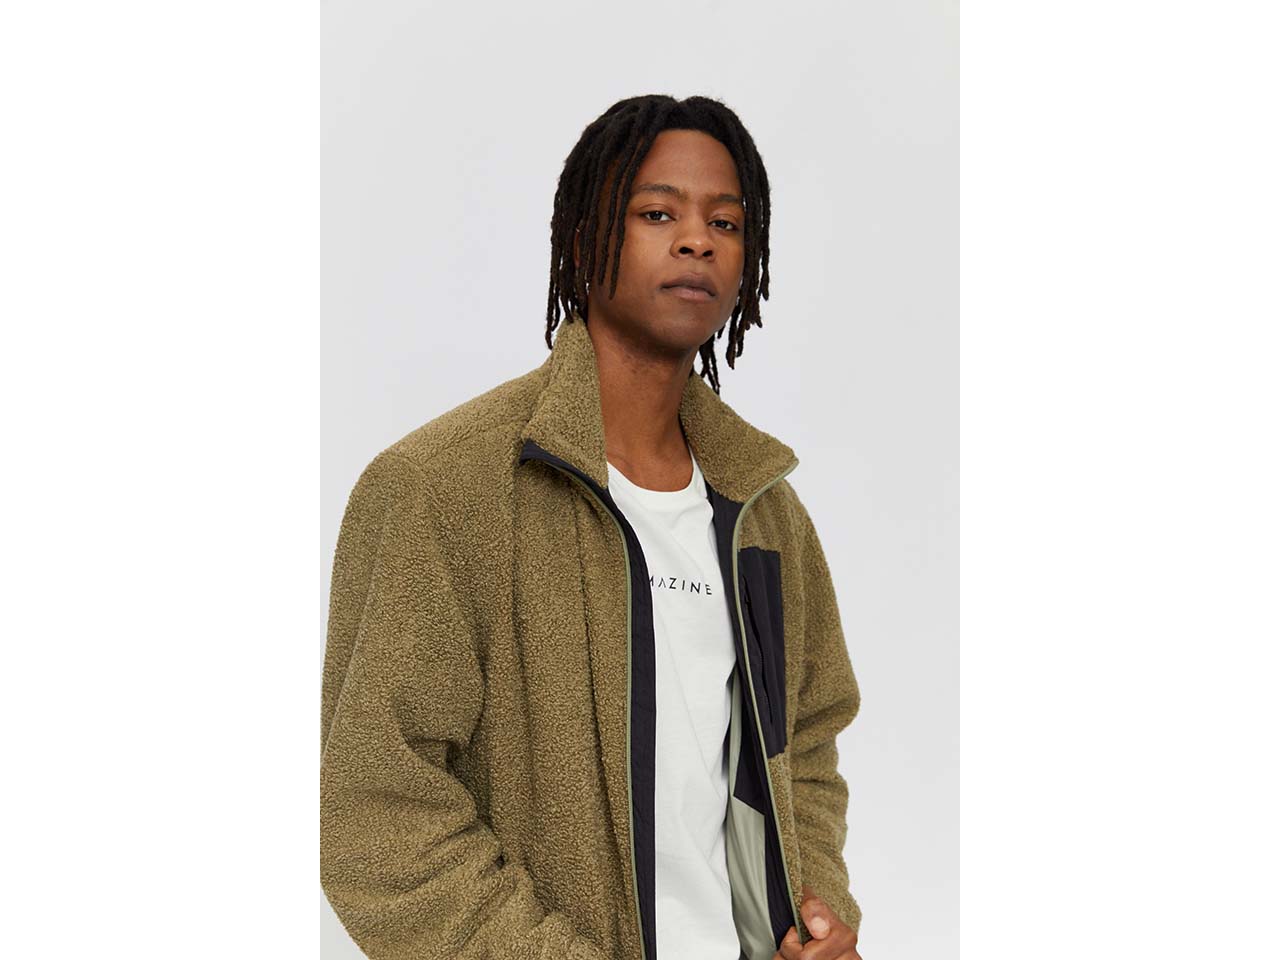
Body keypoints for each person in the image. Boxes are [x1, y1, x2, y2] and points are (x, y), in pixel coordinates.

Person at [321, 94, 866, 960]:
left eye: (725, 222)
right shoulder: (443, 487)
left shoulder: (763, 511)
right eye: (658, 213)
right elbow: (376, 812)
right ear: (582, 242)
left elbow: (803, 746)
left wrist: (816, 912)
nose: (697, 241)